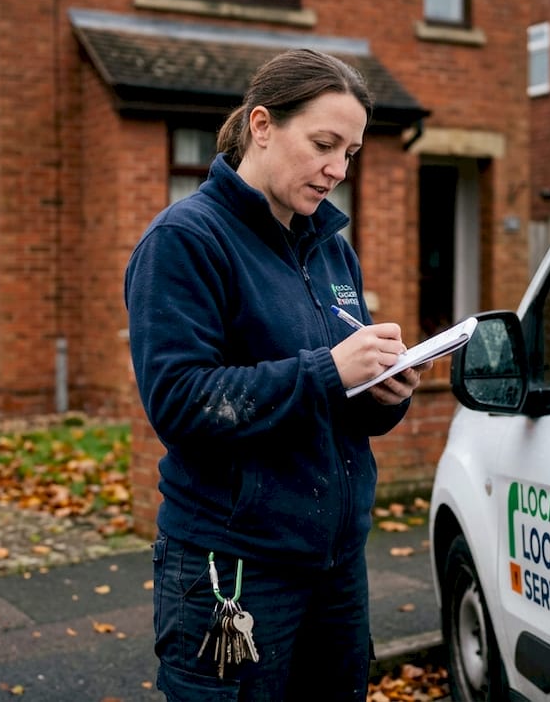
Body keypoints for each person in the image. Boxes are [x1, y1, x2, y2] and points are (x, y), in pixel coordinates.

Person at [124, 48, 429, 701]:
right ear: (262, 125)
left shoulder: (331, 248)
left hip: (335, 564)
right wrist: (327, 370)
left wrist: (384, 392)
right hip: (234, 567)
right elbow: (179, 403)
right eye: (323, 144)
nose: (336, 169)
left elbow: (342, 397)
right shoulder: (185, 240)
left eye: (350, 152)